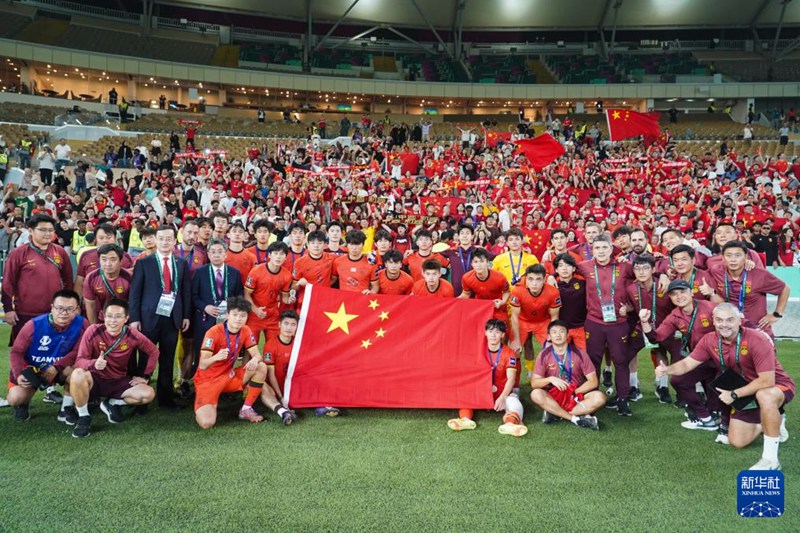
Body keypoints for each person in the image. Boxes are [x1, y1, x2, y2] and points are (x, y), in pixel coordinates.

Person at [656, 303, 794, 470]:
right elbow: (686, 364)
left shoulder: (756, 338)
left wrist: (734, 394)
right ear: (713, 321)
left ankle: (771, 460)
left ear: (739, 320)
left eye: (730, 320)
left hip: (775, 386)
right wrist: (667, 369)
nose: (724, 324)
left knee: (765, 396)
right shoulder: (709, 340)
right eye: (719, 320)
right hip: (746, 389)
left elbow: (767, 381)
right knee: (737, 441)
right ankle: (775, 420)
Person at [195, 297, 294, 428]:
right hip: (208, 380)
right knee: (207, 423)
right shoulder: (213, 332)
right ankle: (206, 404)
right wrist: (216, 357)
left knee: (261, 366)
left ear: (247, 317)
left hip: (229, 375)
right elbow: (202, 364)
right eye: (234, 315)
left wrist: (254, 359)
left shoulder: (246, 330)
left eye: (242, 315)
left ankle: (246, 409)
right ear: (227, 315)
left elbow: (257, 355)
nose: (238, 319)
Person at [68, 299, 158, 437]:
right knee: (77, 374)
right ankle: (83, 417)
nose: (112, 320)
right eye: (109, 316)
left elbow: (153, 351)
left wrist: (145, 375)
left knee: (148, 394)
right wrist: (94, 364)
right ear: (103, 316)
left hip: (118, 380)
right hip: (95, 379)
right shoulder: (93, 330)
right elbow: (79, 361)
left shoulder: (132, 334)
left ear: (126, 318)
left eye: (118, 316)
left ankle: (112, 403)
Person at [128, 225, 192, 408]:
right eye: (161, 238)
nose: (165, 242)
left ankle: (166, 398)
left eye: (168, 239)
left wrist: (185, 315)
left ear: (174, 241)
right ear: (156, 241)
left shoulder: (181, 264)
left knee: (168, 358)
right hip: (148, 319)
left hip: (172, 318)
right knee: (145, 358)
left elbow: (185, 291)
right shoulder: (143, 263)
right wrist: (134, 318)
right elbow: (135, 293)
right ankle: (140, 399)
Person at [640, 279, 719, 423]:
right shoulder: (674, 316)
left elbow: (736, 322)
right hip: (699, 360)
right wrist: (645, 322)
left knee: (721, 398)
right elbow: (656, 338)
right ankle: (704, 415)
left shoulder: (710, 308)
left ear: (691, 293)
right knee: (678, 380)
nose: (679, 296)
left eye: (683, 291)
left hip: (722, 359)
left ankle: (719, 416)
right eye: (674, 294)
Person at [575, 235, 636, 416]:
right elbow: (562, 267)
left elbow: (641, 280)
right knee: (593, 361)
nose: (601, 251)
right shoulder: (585, 266)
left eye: (604, 248)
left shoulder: (624, 266)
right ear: (592, 250)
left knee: (620, 361)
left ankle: (623, 398)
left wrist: (631, 306)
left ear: (611, 249)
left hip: (618, 322)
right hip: (594, 322)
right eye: (597, 248)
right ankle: (592, 397)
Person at [7, 290, 88, 423]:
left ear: (77, 310)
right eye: (59, 308)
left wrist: (56, 367)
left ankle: (65, 408)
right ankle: (23, 403)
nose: (63, 313)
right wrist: (19, 375)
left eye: (69, 309)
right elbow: (16, 352)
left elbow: (79, 352)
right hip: (34, 368)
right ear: (52, 307)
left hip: (61, 367)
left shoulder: (82, 324)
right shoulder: (33, 325)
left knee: (79, 370)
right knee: (15, 398)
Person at [2, 214, 74, 350]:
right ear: (30, 230)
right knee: (22, 354)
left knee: (53, 355)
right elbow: (8, 283)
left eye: (51, 230)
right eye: (42, 230)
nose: (48, 234)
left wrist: (69, 307)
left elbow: (68, 282)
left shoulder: (60, 252)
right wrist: (8, 309)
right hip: (25, 314)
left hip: (54, 314)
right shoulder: (18, 253)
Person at [447, 319, 527, 437]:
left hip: (502, 392)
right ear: (485, 333)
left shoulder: (509, 353)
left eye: (497, 332)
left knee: (514, 402)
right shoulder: (478, 351)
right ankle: (465, 420)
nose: (493, 335)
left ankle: (510, 424)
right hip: (481, 391)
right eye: (490, 331)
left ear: (502, 335)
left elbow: (511, 378)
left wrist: (502, 397)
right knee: (465, 396)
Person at [530, 320, 605, 430]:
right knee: (535, 394)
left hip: (576, 396)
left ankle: (555, 413)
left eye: (561, 331)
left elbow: (593, 381)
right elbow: (534, 383)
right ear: (549, 337)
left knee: (600, 397)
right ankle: (575, 418)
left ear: (567, 335)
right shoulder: (544, 355)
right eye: (554, 332)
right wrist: (550, 379)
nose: (558, 335)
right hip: (553, 396)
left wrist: (573, 392)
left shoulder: (580, 353)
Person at [706, 240, 789, 338]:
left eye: (738, 255)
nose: (733, 259)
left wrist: (776, 314)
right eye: (729, 255)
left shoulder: (759, 274)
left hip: (757, 330)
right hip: (730, 331)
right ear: (723, 258)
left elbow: (784, 289)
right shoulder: (716, 271)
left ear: (746, 257)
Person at [263, 310, 337, 418]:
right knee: (268, 390)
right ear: (279, 325)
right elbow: (271, 375)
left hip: (295, 383)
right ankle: (284, 407)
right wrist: (280, 395)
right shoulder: (270, 345)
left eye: (293, 324)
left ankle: (320, 406)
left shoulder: (299, 344)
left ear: (297, 327)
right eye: (286, 324)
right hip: (278, 386)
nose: (289, 328)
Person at [621, 254, 674, 403]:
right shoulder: (630, 288)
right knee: (629, 352)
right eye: (637, 269)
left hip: (662, 327)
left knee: (661, 352)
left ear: (653, 270)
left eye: (645, 268)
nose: (641, 272)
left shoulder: (664, 285)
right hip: (641, 327)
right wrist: (627, 309)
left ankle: (662, 386)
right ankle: (633, 386)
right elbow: (631, 306)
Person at [191, 238, 244, 378]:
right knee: (202, 352)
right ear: (208, 254)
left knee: (226, 352)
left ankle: (223, 382)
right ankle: (201, 382)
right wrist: (205, 307)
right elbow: (193, 296)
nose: (216, 254)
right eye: (212, 252)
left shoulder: (235, 273)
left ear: (226, 254)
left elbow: (239, 295)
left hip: (227, 322)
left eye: (220, 251)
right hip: (205, 320)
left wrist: (230, 310)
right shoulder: (200, 272)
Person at [509, 264, 561, 375]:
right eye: (531, 279)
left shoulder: (553, 292)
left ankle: (548, 380)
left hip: (543, 321)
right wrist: (517, 340)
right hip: (523, 320)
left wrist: (550, 337)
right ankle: (515, 386)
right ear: (526, 280)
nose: (534, 283)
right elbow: (514, 316)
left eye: (538, 279)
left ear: (544, 280)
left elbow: (554, 317)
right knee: (514, 351)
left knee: (552, 349)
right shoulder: (518, 291)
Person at [244, 241, 296, 345]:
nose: (278, 257)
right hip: (255, 315)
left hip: (272, 315)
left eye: (282, 254)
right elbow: (246, 294)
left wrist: (289, 300)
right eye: (275, 253)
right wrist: (256, 310)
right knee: (250, 347)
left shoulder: (287, 275)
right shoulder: (256, 271)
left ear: (285, 257)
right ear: (269, 255)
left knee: (273, 346)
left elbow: (284, 298)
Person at [75, 223, 134, 297]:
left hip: (119, 304)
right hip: (92, 304)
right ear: (95, 239)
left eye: (108, 237)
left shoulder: (125, 256)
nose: (105, 241)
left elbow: (132, 281)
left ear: (115, 238)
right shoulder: (86, 256)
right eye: (101, 238)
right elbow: (80, 281)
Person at [83, 244, 132, 325]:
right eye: (104, 259)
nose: (108, 264)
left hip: (124, 320)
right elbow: (90, 307)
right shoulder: (91, 278)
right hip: (102, 319)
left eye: (113, 260)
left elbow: (134, 304)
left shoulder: (129, 277)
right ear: (99, 260)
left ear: (120, 261)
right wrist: (95, 327)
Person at [460, 247, 510, 323]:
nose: (479, 265)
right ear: (472, 264)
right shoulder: (466, 278)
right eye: (476, 262)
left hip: (498, 308)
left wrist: (502, 301)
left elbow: (506, 291)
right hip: (480, 308)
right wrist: (456, 300)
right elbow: (466, 294)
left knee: (499, 332)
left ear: (487, 262)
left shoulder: (499, 277)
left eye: (482, 261)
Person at [552, 253, 587, 350]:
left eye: (568, 265)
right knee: (561, 357)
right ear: (556, 270)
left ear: (574, 268)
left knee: (583, 357)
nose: (564, 268)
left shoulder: (583, 283)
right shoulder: (552, 286)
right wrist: (551, 277)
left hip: (580, 327)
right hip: (561, 328)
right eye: (561, 265)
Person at [291, 230, 334, 303]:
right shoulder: (299, 262)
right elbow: (293, 286)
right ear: (307, 244)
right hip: (306, 300)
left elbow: (334, 277)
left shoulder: (331, 259)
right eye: (313, 243)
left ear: (325, 245)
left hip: (324, 299)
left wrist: (322, 287)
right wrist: (299, 284)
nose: (316, 246)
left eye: (319, 243)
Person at [441, 224, 475, 295]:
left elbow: (496, 257)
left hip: (474, 290)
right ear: (458, 236)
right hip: (456, 291)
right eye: (462, 233)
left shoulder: (478, 251)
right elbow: (432, 252)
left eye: (467, 233)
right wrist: (413, 251)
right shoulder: (452, 251)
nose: (464, 236)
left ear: (472, 236)